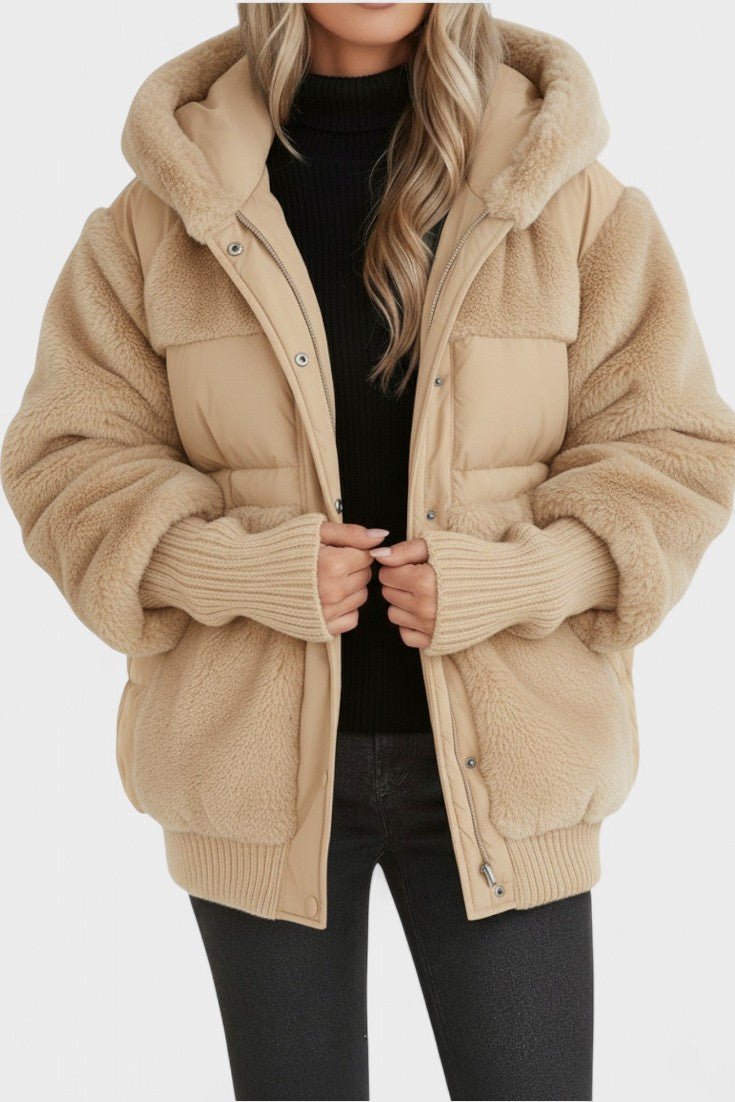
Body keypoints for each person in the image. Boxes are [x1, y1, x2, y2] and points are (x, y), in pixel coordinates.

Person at [3, 3, 735, 1099]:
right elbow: (66, 463)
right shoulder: (159, 219)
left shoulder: (570, 202)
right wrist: (249, 568)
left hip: (514, 775)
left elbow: (673, 456)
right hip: (251, 778)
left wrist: (514, 579)